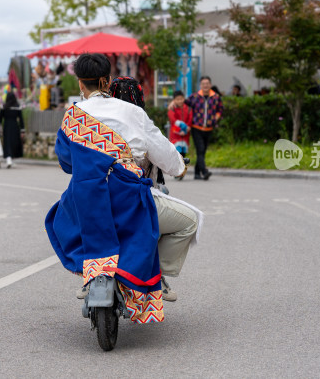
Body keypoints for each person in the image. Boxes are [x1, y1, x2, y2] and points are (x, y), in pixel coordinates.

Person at [45, 53, 202, 322]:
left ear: (81, 84)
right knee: (190, 221)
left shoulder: (71, 117)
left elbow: (67, 164)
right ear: (107, 81)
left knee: (62, 214)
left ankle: (92, 274)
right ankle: (152, 275)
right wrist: (180, 166)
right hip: (129, 203)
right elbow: (170, 161)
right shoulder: (134, 113)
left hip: (85, 204)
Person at [185, 76, 223, 180]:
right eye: (203, 84)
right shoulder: (195, 97)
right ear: (200, 85)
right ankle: (204, 171)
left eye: (207, 83)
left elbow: (220, 109)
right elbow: (183, 104)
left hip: (209, 129)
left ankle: (197, 174)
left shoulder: (215, 97)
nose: (205, 85)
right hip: (196, 128)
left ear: (210, 85)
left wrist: (216, 117)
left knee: (202, 151)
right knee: (200, 149)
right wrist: (173, 103)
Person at [167, 90, 193, 180]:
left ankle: (182, 172)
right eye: (177, 99)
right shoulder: (172, 109)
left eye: (181, 99)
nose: (180, 101)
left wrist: (186, 129)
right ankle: (177, 172)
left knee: (183, 155)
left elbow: (190, 121)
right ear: (174, 100)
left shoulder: (189, 109)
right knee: (177, 155)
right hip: (176, 136)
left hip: (185, 137)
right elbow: (173, 121)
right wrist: (180, 130)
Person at [0, 92, 24, 168]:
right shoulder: (17, 107)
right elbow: (21, 120)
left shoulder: (3, 106)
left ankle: (9, 159)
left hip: (6, 126)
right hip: (15, 126)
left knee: (7, 142)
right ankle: (11, 159)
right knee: (14, 142)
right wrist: (22, 130)